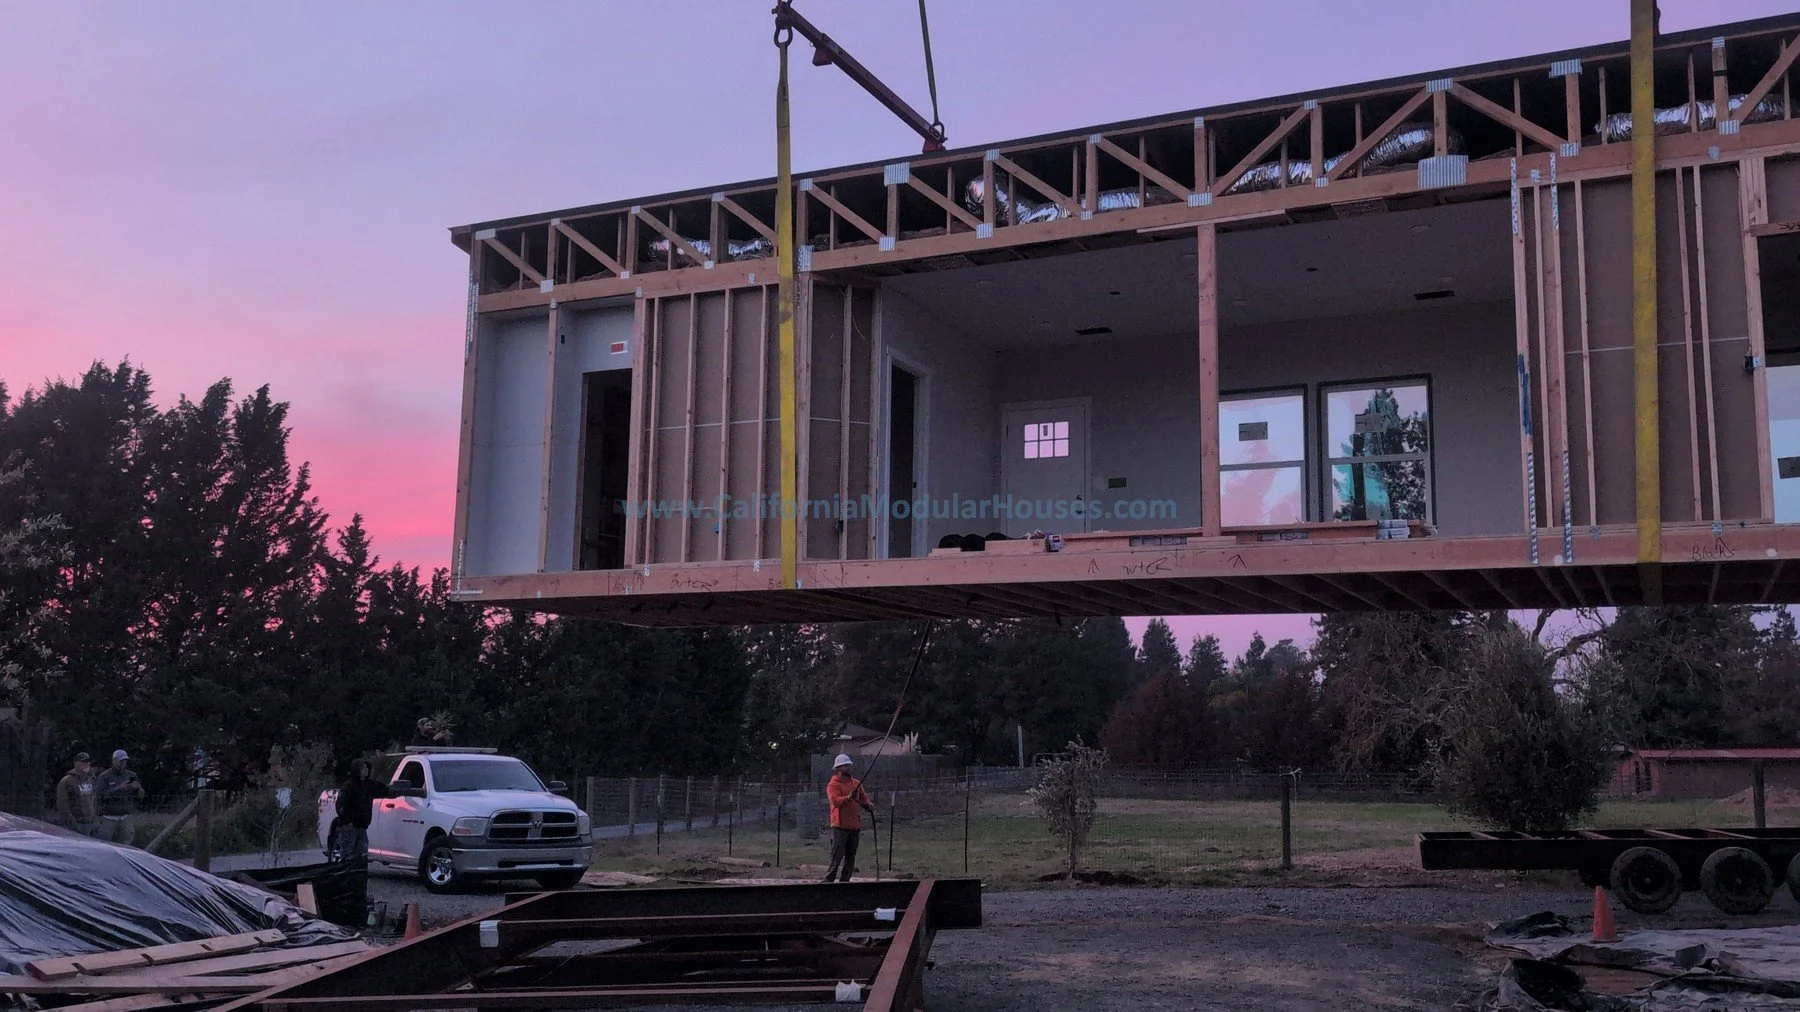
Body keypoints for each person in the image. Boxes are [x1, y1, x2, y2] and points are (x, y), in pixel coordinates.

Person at [822, 754, 874, 883]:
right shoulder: (833, 785)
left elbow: (863, 797)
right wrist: (848, 797)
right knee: (837, 856)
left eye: (849, 765)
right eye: (845, 766)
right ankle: (829, 880)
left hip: (854, 826)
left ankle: (845, 881)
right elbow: (835, 802)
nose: (849, 768)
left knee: (851, 857)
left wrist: (868, 804)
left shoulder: (856, 783)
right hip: (839, 826)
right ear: (838, 768)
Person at [330, 758, 392, 862]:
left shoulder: (368, 785)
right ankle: (345, 875)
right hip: (350, 827)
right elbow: (340, 807)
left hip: (362, 827)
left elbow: (384, 789)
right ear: (357, 771)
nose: (366, 770)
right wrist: (347, 821)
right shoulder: (348, 786)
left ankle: (358, 875)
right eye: (363, 768)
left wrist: (397, 790)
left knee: (362, 854)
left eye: (367, 768)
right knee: (347, 854)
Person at [94, 750, 145, 845]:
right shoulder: (104, 776)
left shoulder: (131, 775)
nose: (123, 763)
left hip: (126, 818)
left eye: (125, 761)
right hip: (108, 818)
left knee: (126, 845)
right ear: (114, 761)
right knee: (104, 845)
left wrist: (138, 788)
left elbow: (141, 795)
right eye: (121, 761)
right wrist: (118, 788)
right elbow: (100, 796)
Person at [54, 752, 99, 837]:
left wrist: (93, 817)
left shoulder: (90, 780)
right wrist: (72, 821)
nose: (87, 764)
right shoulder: (66, 781)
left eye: (88, 762)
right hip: (73, 825)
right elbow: (62, 804)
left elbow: (93, 799)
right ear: (76, 763)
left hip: (89, 823)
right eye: (84, 762)